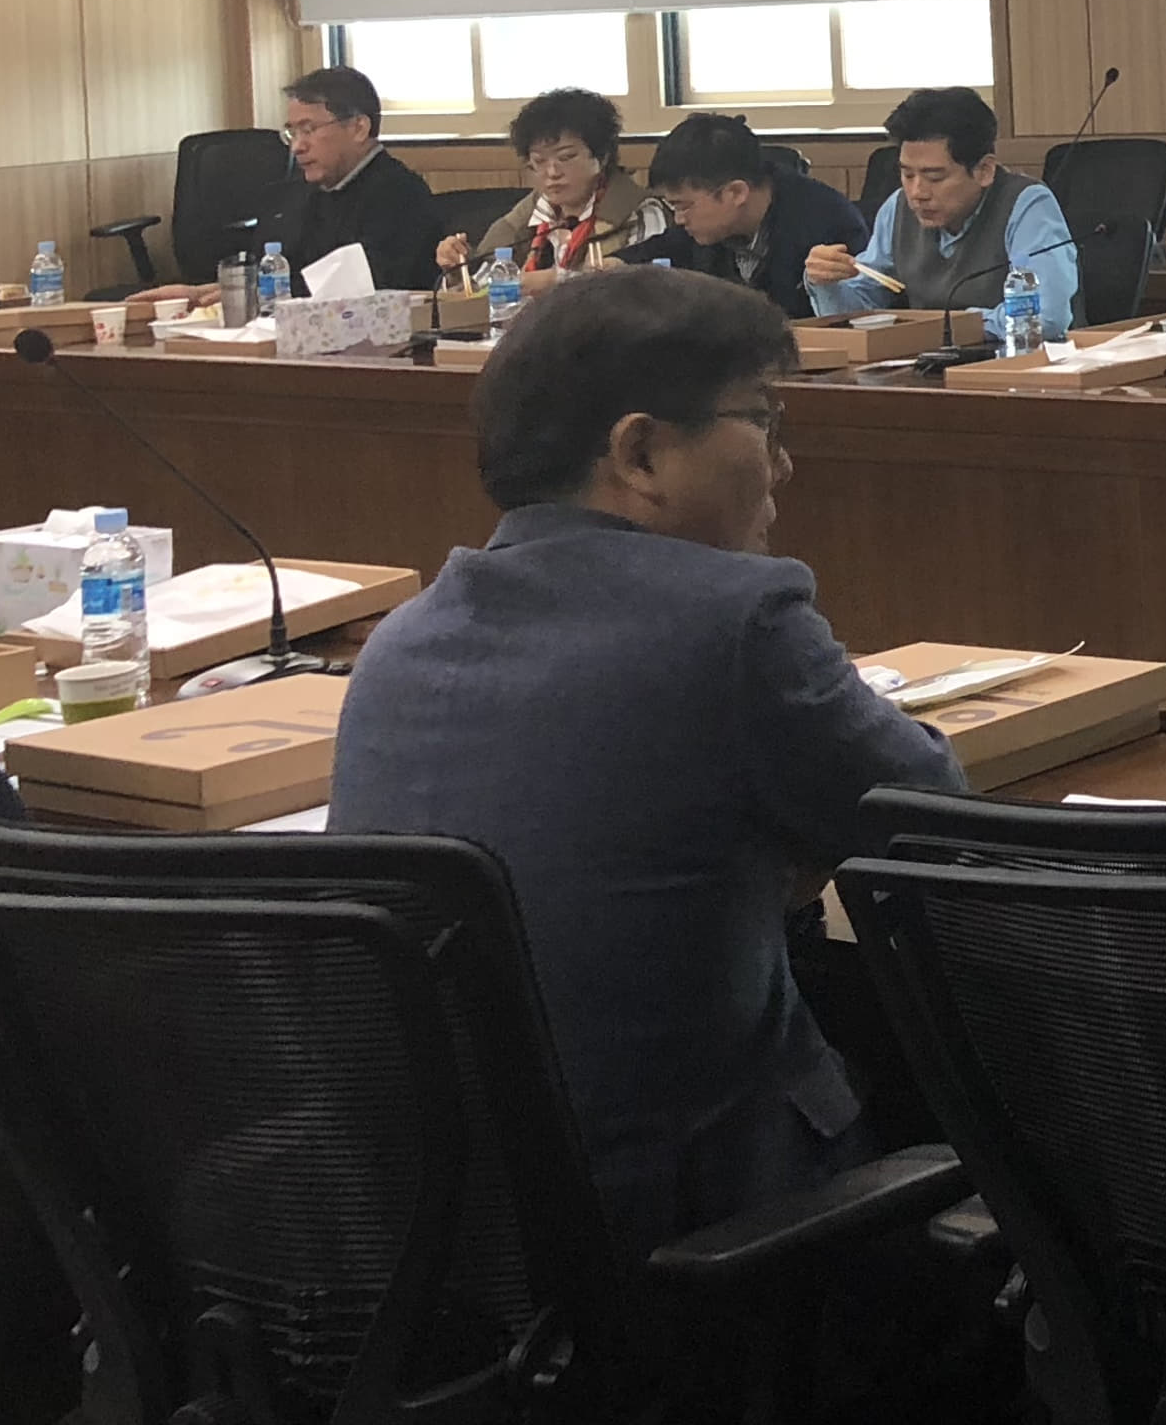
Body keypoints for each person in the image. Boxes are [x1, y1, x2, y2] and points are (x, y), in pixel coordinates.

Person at [329, 263, 964, 1251]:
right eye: (764, 422)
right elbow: (932, 820)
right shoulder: (734, 622)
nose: (784, 467)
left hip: (443, 1240)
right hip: (695, 1227)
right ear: (641, 452)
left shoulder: (403, 639)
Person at [808, 87, 1078, 336]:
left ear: (984, 170)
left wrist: (945, 327)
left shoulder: (1026, 205)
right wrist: (827, 283)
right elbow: (862, 313)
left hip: (1024, 365)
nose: (917, 192)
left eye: (934, 177)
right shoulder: (897, 208)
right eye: (907, 174)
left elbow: (1044, 316)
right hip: (928, 361)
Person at [621, 113, 869, 319]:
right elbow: (666, 245)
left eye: (683, 206)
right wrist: (618, 264)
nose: (679, 219)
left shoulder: (827, 224)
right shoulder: (707, 224)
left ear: (736, 192)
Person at [256, 63, 448, 292]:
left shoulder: (400, 195)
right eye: (292, 133)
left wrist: (266, 292)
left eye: (308, 130)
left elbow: (361, 287)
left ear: (359, 128)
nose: (297, 147)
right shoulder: (295, 195)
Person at [437, 87, 659, 279]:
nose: (552, 172)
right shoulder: (529, 213)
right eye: (539, 161)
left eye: (566, 157)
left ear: (602, 157)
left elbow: (643, 290)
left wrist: (555, 284)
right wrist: (459, 268)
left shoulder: (638, 212)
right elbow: (487, 287)